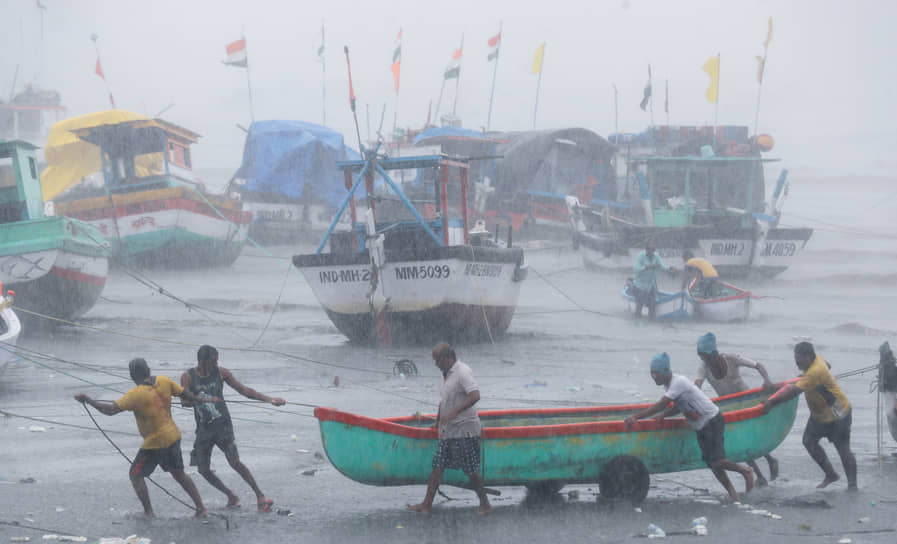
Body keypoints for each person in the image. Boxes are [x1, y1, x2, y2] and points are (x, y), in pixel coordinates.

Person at [74, 358, 211, 518]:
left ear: (133, 374)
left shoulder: (135, 394)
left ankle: (149, 512)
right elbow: (184, 393)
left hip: (156, 442)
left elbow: (111, 410)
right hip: (173, 436)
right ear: (148, 370)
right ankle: (201, 508)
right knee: (179, 474)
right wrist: (197, 398)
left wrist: (89, 400)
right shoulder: (163, 380)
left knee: (135, 474)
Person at [624, 352, 754, 502]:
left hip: (712, 420)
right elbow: (680, 405)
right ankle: (733, 494)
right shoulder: (669, 385)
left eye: (656, 373)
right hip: (701, 425)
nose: (654, 377)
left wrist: (636, 417)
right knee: (712, 464)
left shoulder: (678, 382)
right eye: (652, 373)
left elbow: (662, 404)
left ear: (666, 371)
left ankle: (745, 471)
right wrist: (665, 415)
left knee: (717, 461)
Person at [180, 345, 285, 512]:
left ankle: (259, 495)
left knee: (235, 462)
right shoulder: (188, 377)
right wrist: (202, 400)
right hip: (204, 429)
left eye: (217, 361)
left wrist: (270, 399)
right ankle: (230, 495)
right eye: (213, 361)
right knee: (203, 469)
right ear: (203, 361)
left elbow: (245, 391)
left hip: (223, 426)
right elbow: (184, 401)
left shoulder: (222, 373)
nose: (216, 364)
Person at [408, 343, 491, 515]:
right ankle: (426, 504)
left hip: (465, 430)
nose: (435, 364)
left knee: (470, 470)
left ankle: (485, 504)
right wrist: (438, 422)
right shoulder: (444, 375)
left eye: (437, 360)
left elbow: (475, 395)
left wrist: (455, 412)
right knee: (437, 467)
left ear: (448, 358)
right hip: (448, 431)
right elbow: (443, 401)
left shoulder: (462, 372)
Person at [762, 341, 857, 490]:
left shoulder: (815, 371)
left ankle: (852, 485)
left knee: (843, 449)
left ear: (808, 357)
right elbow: (828, 364)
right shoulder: (817, 360)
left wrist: (771, 402)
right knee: (808, 441)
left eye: (799, 359)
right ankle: (831, 474)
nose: (796, 362)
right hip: (819, 415)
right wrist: (806, 377)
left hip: (838, 414)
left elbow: (793, 392)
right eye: (795, 358)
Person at [694, 332, 779, 487]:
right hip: (729, 407)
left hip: (748, 402)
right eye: (701, 357)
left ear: (713, 353)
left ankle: (770, 459)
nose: (703, 360)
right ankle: (759, 476)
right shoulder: (703, 368)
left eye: (705, 356)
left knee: (754, 436)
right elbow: (697, 385)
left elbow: (758, 365)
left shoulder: (732, 359)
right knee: (742, 442)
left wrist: (766, 380)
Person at [631, 241, 672, 319]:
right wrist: (646, 267)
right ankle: (637, 320)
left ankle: (651, 322)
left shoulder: (656, 256)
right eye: (651, 250)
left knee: (652, 306)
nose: (652, 252)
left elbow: (662, 266)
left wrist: (670, 269)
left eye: (653, 250)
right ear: (646, 250)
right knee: (639, 306)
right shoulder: (640, 256)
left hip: (651, 286)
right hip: (640, 286)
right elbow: (636, 269)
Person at [878, 342, 897, 442]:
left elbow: (893, 387)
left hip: (892, 400)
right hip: (891, 398)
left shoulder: (888, 369)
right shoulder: (885, 367)